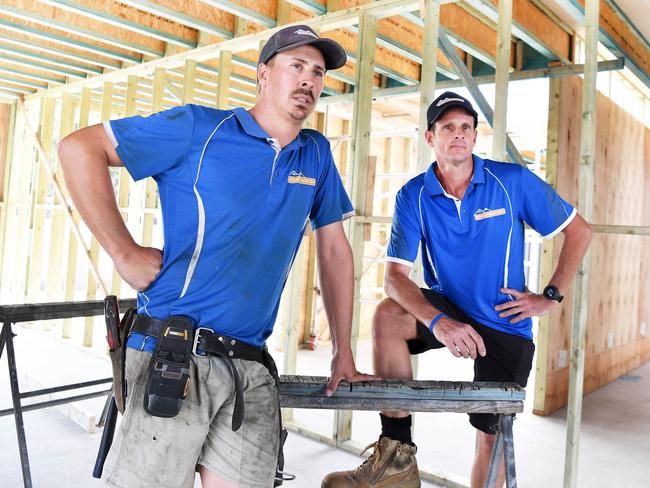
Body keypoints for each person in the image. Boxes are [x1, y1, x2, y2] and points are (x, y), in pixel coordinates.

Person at [59, 25, 374, 488]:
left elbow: (334, 248)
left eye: (318, 72)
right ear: (264, 74)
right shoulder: (200, 128)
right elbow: (79, 147)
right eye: (297, 66)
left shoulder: (316, 155)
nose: (309, 80)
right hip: (174, 352)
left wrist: (343, 349)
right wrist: (122, 251)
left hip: (250, 365)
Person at [322, 91, 593, 488]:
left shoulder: (511, 181)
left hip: (505, 319)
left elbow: (579, 231)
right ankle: (397, 457)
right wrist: (439, 322)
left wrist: (549, 295)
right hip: (448, 306)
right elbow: (394, 279)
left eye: (466, 127)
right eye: (448, 127)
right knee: (387, 316)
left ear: (475, 136)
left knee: (491, 437)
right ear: (430, 137)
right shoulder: (413, 195)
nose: (458, 134)